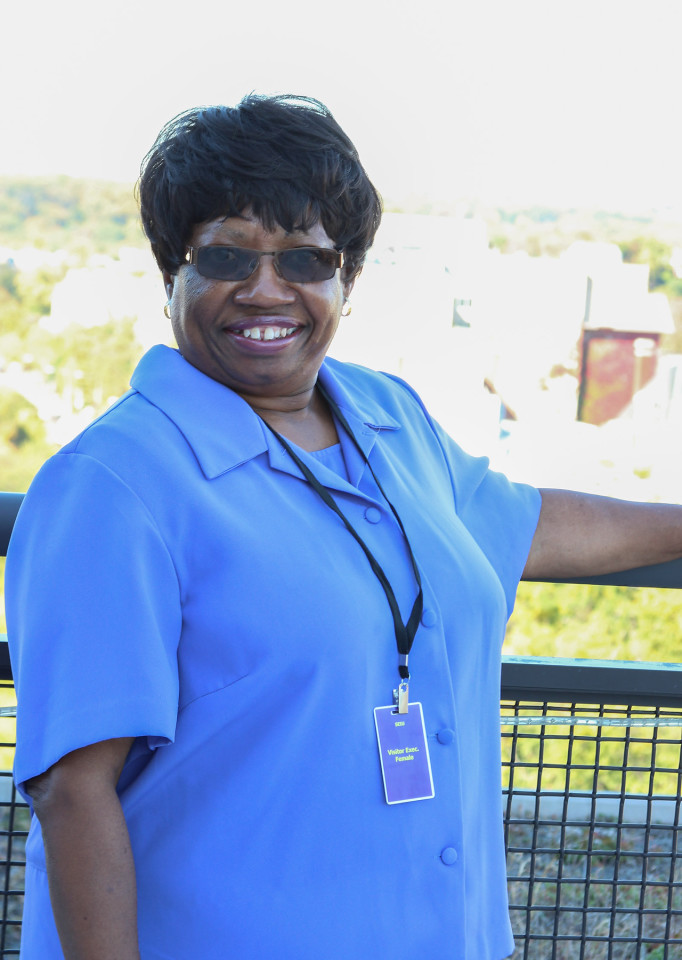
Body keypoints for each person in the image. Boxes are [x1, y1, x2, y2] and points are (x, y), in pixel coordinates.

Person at [5, 94, 682, 960]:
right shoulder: (113, 485)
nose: (265, 290)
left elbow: (523, 526)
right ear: (169, 271)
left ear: (347, 279)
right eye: (225, 255)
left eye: (304, 259)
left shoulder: (387, 416)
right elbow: (73, 792)